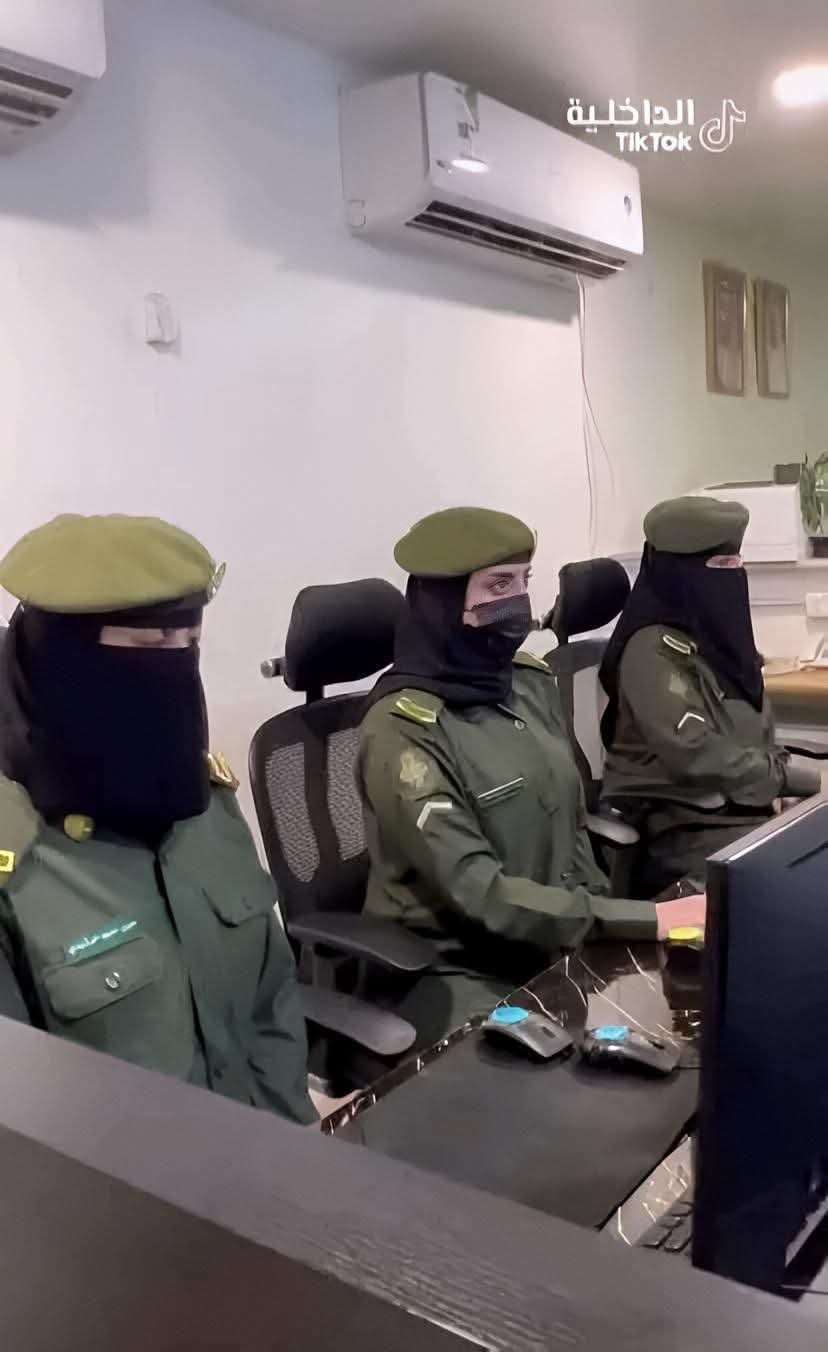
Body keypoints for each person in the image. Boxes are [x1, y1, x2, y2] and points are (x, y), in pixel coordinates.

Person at [0, 513, 315, 1125]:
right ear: (63, 661)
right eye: (150, 646)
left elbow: (271, 998)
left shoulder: (207, 807)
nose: (175, 669)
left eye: (187, 644)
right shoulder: (18, 868)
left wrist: (292, 1149)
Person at [357, 507, 705, 1044]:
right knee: (567, 1079)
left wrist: (606, 933)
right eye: (499, 585)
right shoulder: (403, 730)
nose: (519, 601)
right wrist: (642, 919)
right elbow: (482, 893)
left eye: (524, 580)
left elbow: (571, 827)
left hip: (547, 942)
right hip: (453, 969)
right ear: (444, 600)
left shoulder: (527, 682)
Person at [599, 495, 820, 897]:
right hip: (679, 824)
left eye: (737, 562)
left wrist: (779, 787)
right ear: (679, 573)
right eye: (721, 566)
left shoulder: (719, 645)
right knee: (801, 886)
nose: (734, 575)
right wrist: (793, 780)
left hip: (739, 811)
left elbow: (750, 730)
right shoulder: (652, 651)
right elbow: (695, 752)